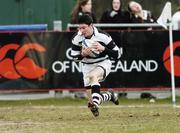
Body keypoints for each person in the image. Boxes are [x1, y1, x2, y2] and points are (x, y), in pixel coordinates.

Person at [71, 14, 121, 117]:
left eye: (84, 27)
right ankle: (109, 95)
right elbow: (74, 58)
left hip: (103, 63)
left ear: (91, 25)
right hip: (87, 66)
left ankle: (97, 105)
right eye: (79, 28)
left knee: (93, 76)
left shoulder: (103, 36)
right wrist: (82, 54)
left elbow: (117, 54)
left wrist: (104, 49)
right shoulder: (77, 38)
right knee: (91, 103)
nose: (82, 30)